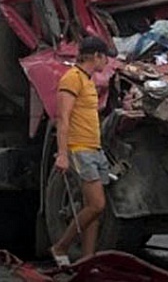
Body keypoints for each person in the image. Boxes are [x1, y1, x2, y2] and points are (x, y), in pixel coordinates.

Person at [50, 36, 116, 266]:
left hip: (94, 149)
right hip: (80, 149)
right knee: (97, 205)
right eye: (104, 57)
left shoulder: (87, 80)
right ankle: (60, 247)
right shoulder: (72, 79)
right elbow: (63, 119)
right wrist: (62, 154)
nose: (106, 62)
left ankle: (88, 261)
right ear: (96, 56)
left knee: (94, 211)